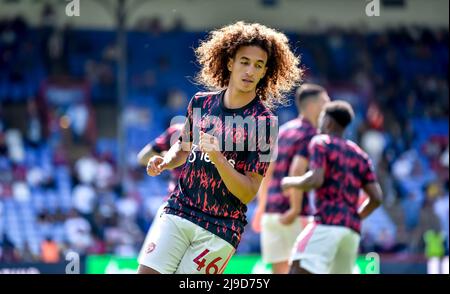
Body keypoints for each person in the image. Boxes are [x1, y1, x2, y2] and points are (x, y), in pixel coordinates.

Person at [137, 21, 302, 274]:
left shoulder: (266, 123)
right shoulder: (200, 102)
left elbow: (248, 192)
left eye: (258, 65)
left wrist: (218, 158)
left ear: (265, 72)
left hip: (220, 229)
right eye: (244, 61)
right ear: (229, 63)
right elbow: (183, 147)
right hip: (179, 209)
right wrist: (166, 161)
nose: (250, 70)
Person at [282, 100, 382, 274]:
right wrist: (354, 216)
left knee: (298, 267)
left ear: (327, 121)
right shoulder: (360, 154)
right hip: (351, 232)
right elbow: (376, 198)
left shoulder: (322, 142)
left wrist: (289, 182)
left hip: (326, 222)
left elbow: (315, 179)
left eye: (322, 118)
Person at [252, 84, 329, 274]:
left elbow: (266, 170)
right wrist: (295, 209)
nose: (327, 107)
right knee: (304, 269)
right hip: (293, 214)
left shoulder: (283, 131)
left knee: (279, 270)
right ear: (312, 106)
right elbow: (297, 170)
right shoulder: (312, 135)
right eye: (324, 102)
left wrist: (261, 208)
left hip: (271, 212)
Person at [136, 123, 183, 262]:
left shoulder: (177, 130)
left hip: (174, 207)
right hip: (205, 215)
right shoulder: (222, 133)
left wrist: (168, 159)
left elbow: (143, 157)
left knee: (150, 263)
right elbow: (142, 158)